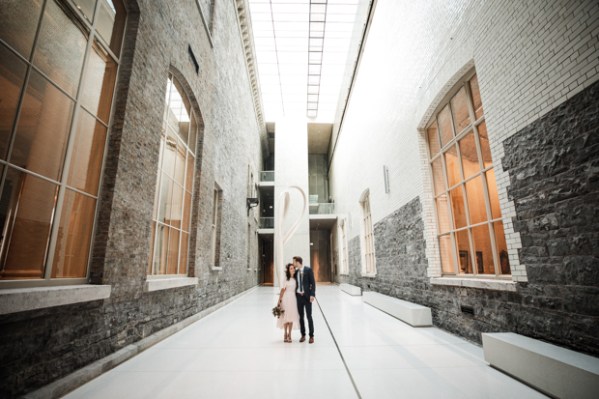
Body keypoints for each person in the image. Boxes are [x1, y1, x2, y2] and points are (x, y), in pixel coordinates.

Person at [293, 256, 315, 344]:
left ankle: (311, 336)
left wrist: (312, 294)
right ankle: (303, 335)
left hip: (307, 297)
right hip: (299, 297)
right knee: (301, 317)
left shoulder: (308, 270)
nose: (293, 263)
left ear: (298, 262)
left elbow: (313, 283)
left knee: (309, 316)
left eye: (294, 262)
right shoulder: (296, 272)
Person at [277, 263, 300, 342]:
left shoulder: (296, 279)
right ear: (288, 270)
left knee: (291, 317)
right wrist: (279, 300)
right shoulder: (286, 279)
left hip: (293, 299)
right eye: (291, 268)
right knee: (286, 317)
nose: (293, 269)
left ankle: (290, 334)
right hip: (286, 298)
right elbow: (282, 290)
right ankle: (285, 333)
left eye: (293, 268)